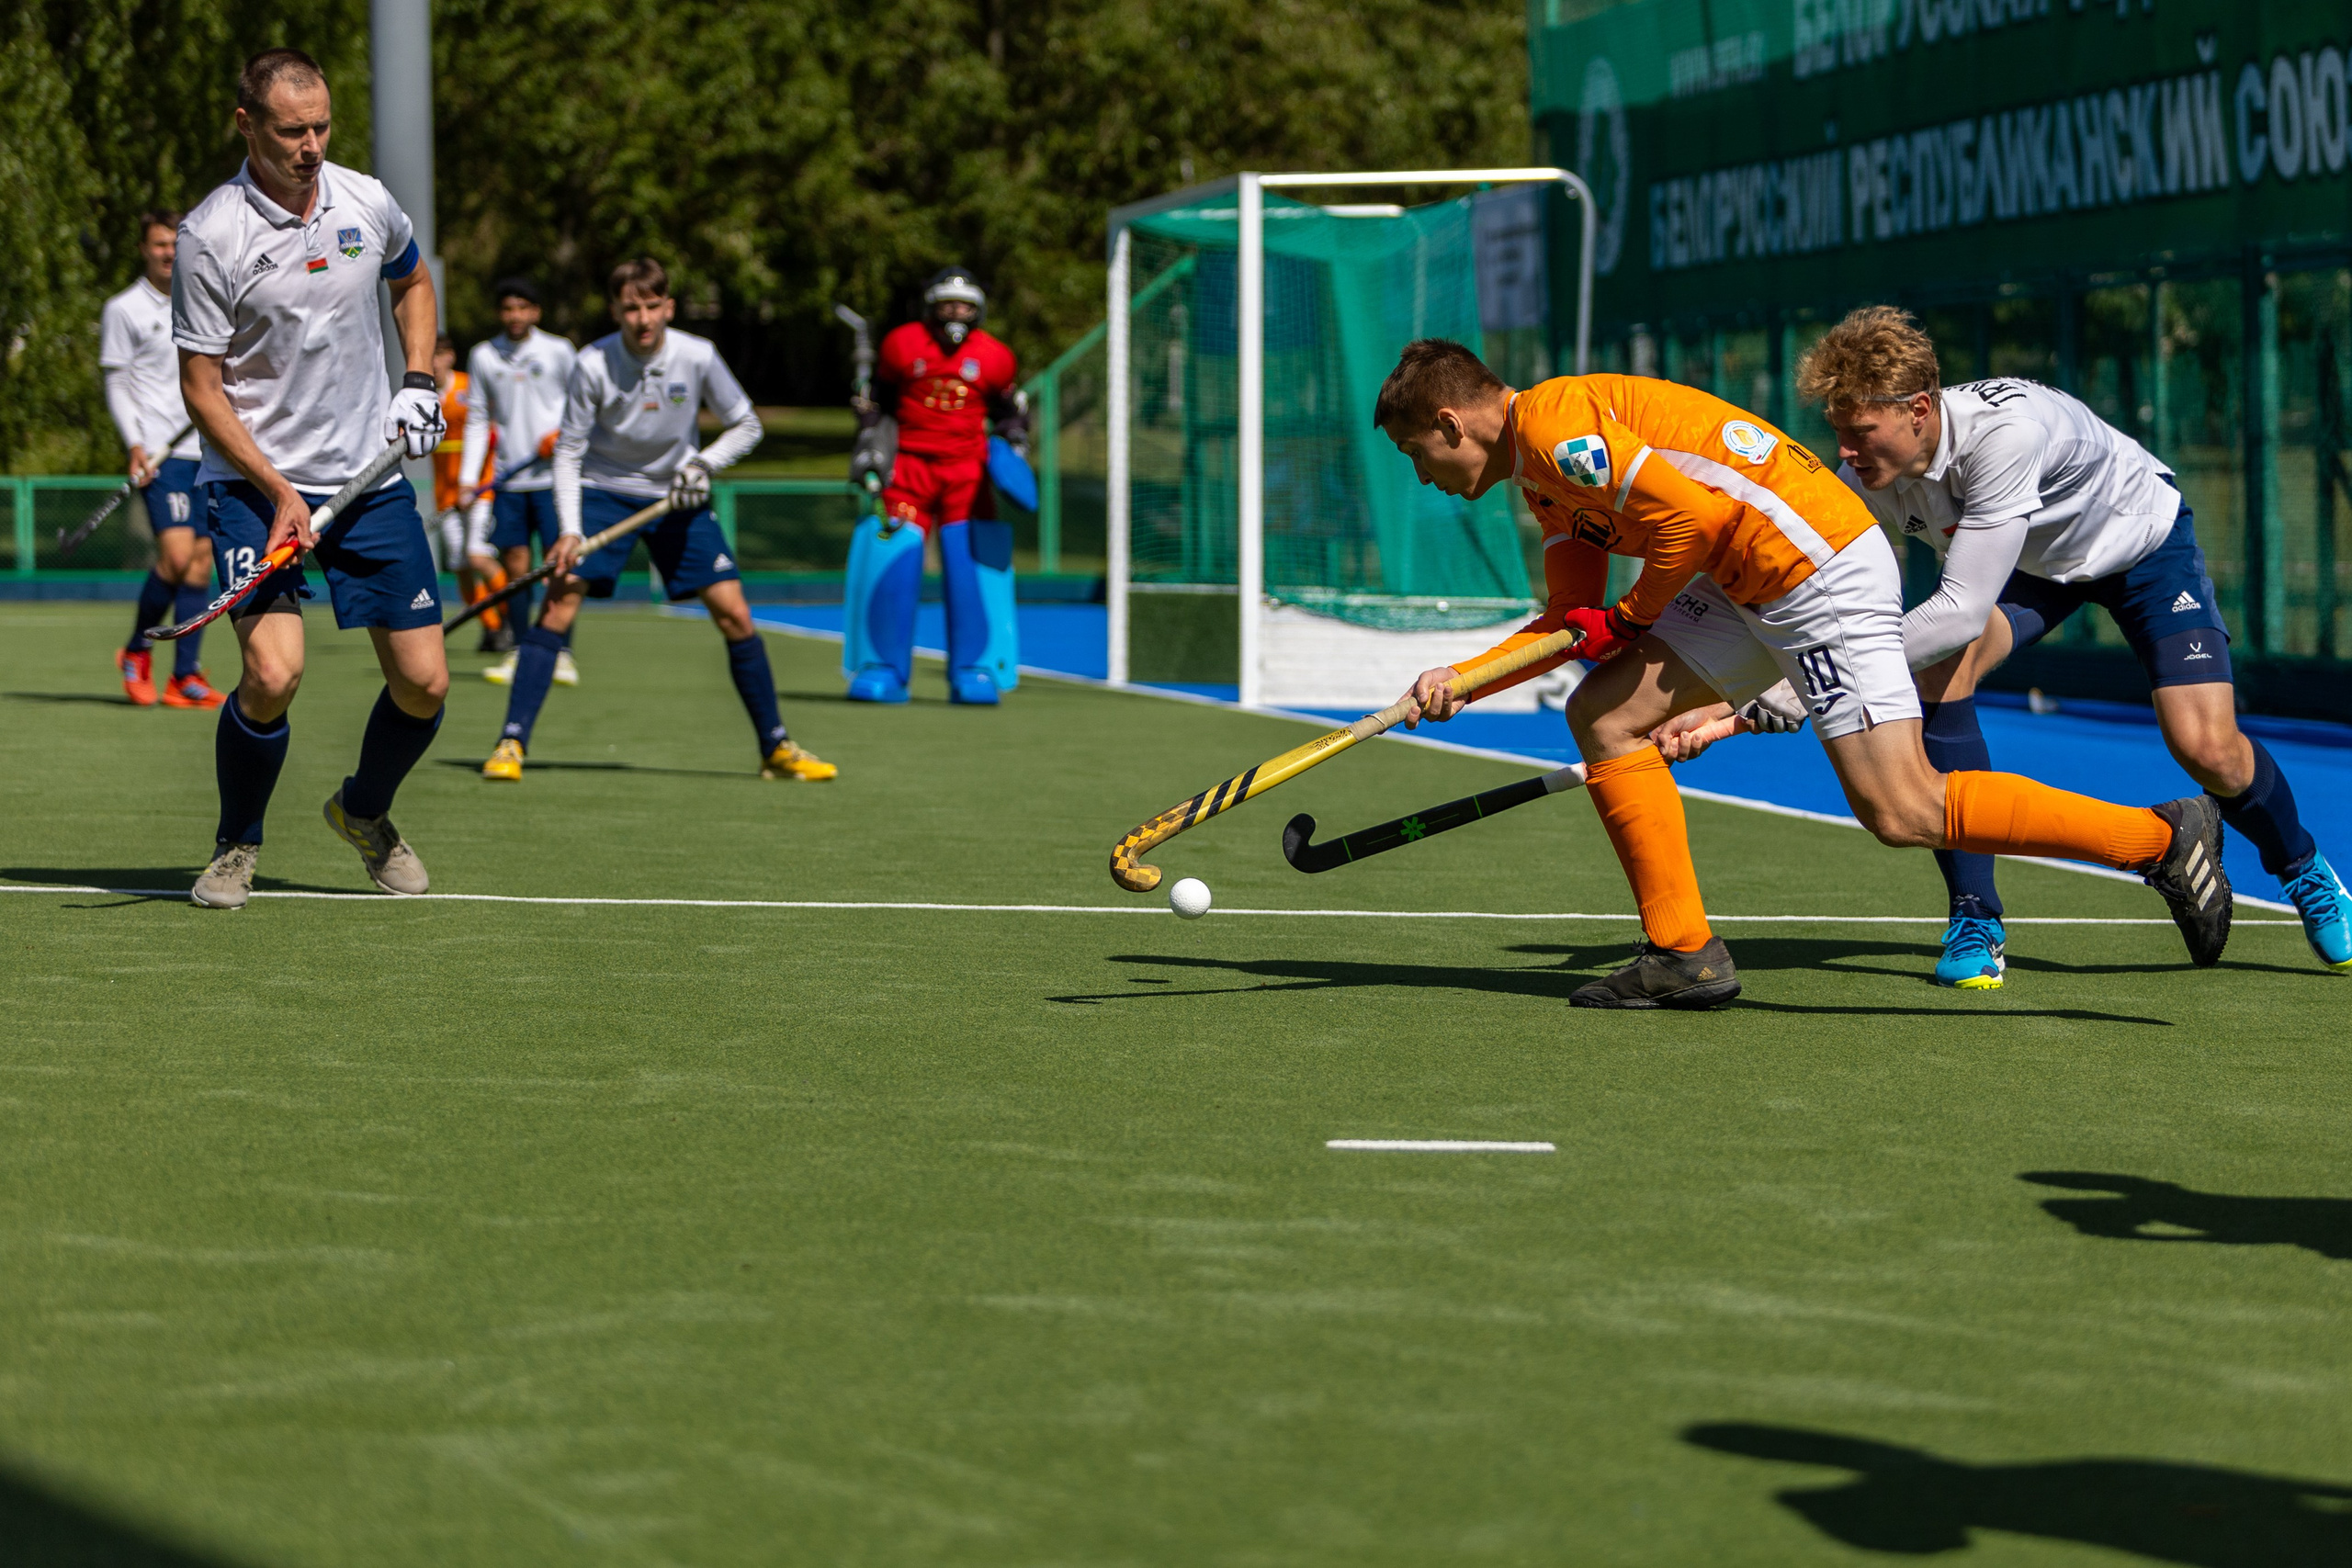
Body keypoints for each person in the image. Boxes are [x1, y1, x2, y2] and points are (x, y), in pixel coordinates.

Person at [1374, 339, 2233, 1009]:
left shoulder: (1558, 433)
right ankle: (1683, 953)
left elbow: (1692, 520)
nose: (1425, 476)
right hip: (1743, 577)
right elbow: (1570, 623)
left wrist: (1634, 618)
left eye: (1418, 453)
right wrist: (1458, 678)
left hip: (1813, 567)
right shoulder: (1542, 477)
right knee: (1606, 714)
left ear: (1453, 422)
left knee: (1902, 808)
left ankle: (2163, 840)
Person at [1794, 306, 2350, 979]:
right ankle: (1976, 914)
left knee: (2204, 745)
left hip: (2141, 545)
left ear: (1917, 408)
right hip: (2033, 564)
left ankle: (2303, 867)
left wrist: (1807, 682)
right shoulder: (1869, 481)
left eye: (1859, 433)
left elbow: (1962, 609)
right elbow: (1809, 595)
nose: (1845, 454)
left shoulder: (2005, 437)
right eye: (1839, 434)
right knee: (1942, 672)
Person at [173, 48, 452, 908]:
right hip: (254, 488)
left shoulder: (364, 197)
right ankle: (235, 844)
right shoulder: (209, 235)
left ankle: (364, 811)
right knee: (273, 674)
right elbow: (201, 389)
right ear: (246, 123)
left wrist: (417, 380)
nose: (311, 146)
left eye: (322, 126)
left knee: (425, 681)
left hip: (367, 481)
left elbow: (412, 282)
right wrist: (282, 491)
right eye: (292, 130)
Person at [479, 257, 835, 784]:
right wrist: (571, 530)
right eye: (631, 308)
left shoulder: (698, 355)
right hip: (603, 492)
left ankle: (776, 749)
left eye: (652, 306)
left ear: (668, 306)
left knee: (736, 614)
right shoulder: (594, 363)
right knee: (558, 602)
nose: (643, 318)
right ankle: (510, 742)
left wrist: (703, 464)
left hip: (678, 495)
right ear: (616, 310)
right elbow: (570, 451)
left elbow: (747, 424)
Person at [844, 265, 1026, 705]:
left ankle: (974, 668)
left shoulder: (997, 356)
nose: (956, 313)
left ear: (978, 310)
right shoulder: (901, 344)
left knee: (968, 568)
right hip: (908, 470)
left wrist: (1014, 448)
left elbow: (1010, 413)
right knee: (896, 561)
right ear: (930, 307)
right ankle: (883, 667)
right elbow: (879, 404)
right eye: (947, 303)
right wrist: (869, 441)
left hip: (968, 474)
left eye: (965, 305)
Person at [99, 209, 223, 709]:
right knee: (174, 557)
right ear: (143, 249)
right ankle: (135, 651)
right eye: (159, 245)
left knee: (198, 568)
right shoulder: (124, 308)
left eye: (175, 244)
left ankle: (185, 675)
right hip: (161, 455)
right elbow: (117, 382)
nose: (169, 253)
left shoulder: (204, 301)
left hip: (208, 452)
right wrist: (134, 442)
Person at [460, 276, 579, 682]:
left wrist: (564, 436)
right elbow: (477, 419)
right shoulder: (484, 356)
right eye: (508, 308)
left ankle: (559, 650)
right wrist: (466, 479)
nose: (515, 316)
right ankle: (520, 649)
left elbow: (583, 407)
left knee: (559, 565)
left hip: (554, 478)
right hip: (509, 482)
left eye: (523, 308)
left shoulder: (559, 351)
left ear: (536, 312)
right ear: (500, 313)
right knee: (515, 569)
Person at [425, 333, 508, 654]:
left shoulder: (469, 387)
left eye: (437, 354)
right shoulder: (423, 395)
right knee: (460, 564)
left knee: (477, 553)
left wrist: (474, 483)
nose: (431, 362)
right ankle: (492, 629)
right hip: (445, 495)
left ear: (449, 356)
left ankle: (509, 616)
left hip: (479, 489)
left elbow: (491, 430)